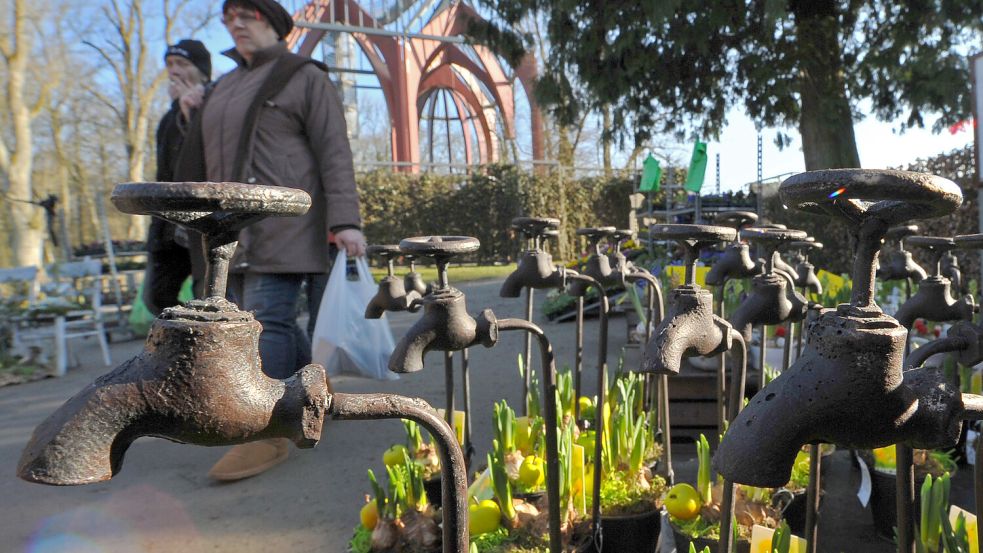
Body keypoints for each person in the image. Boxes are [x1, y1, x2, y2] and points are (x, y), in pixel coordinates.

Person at [174, 0, 367, 481]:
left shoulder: (304, 77)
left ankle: (265, 433)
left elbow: (334, 151)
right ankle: (311, 400)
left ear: (275, 23)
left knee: (266, 324)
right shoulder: (223, 86)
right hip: (229, 231)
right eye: (228, 17)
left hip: (285, 226)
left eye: (247, 14)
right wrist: (190, 113)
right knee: (267, 322)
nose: (235, 23)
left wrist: (346, 219)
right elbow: (206, 156)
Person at [143, 40, 212, 315]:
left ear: (202, 71)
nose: (175, 71)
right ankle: (190, 342)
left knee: (206, 294)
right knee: (156, 296)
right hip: (168, 225)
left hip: (202, 221)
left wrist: (193, 114)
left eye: (183, 64)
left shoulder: (214, 104)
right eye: (170, 64)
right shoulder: (167, 118)